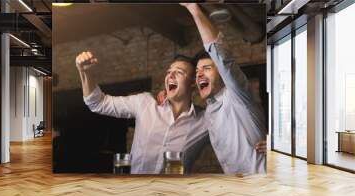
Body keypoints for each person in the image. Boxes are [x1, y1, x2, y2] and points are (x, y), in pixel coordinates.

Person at [76, 53, 208, 174]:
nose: (171, 75)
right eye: (169, 72)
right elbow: (98, 103)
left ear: (193, 83)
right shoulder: (144, 103)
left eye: (179, 72)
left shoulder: (205, 121)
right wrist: (85, 73)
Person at [181, 3, 267, 174]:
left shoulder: (237, 95)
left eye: (206, 68)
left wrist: (193, 8)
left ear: (221, 74)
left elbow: (222, 57)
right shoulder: (208, 114)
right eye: (197, 72)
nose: (199, 74)